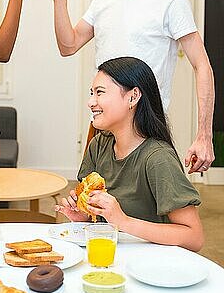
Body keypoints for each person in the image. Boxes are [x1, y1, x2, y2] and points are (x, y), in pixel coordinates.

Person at [48, 0, 214, 173]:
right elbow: (69, 45)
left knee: (143, 213)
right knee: (91, 209)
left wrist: (204, 135)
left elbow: (202, 65)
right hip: (101, 126)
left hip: (144, 131)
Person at [55, 57, 204, 252]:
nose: (91, 102)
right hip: (110, 256)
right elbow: (96, 214)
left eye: (100, 93)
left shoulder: (158, 158)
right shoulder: (98, 145)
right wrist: (82, 215)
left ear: (133, 97)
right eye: (92, 93)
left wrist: (122, 221)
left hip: (150, 262)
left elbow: (194, 237)